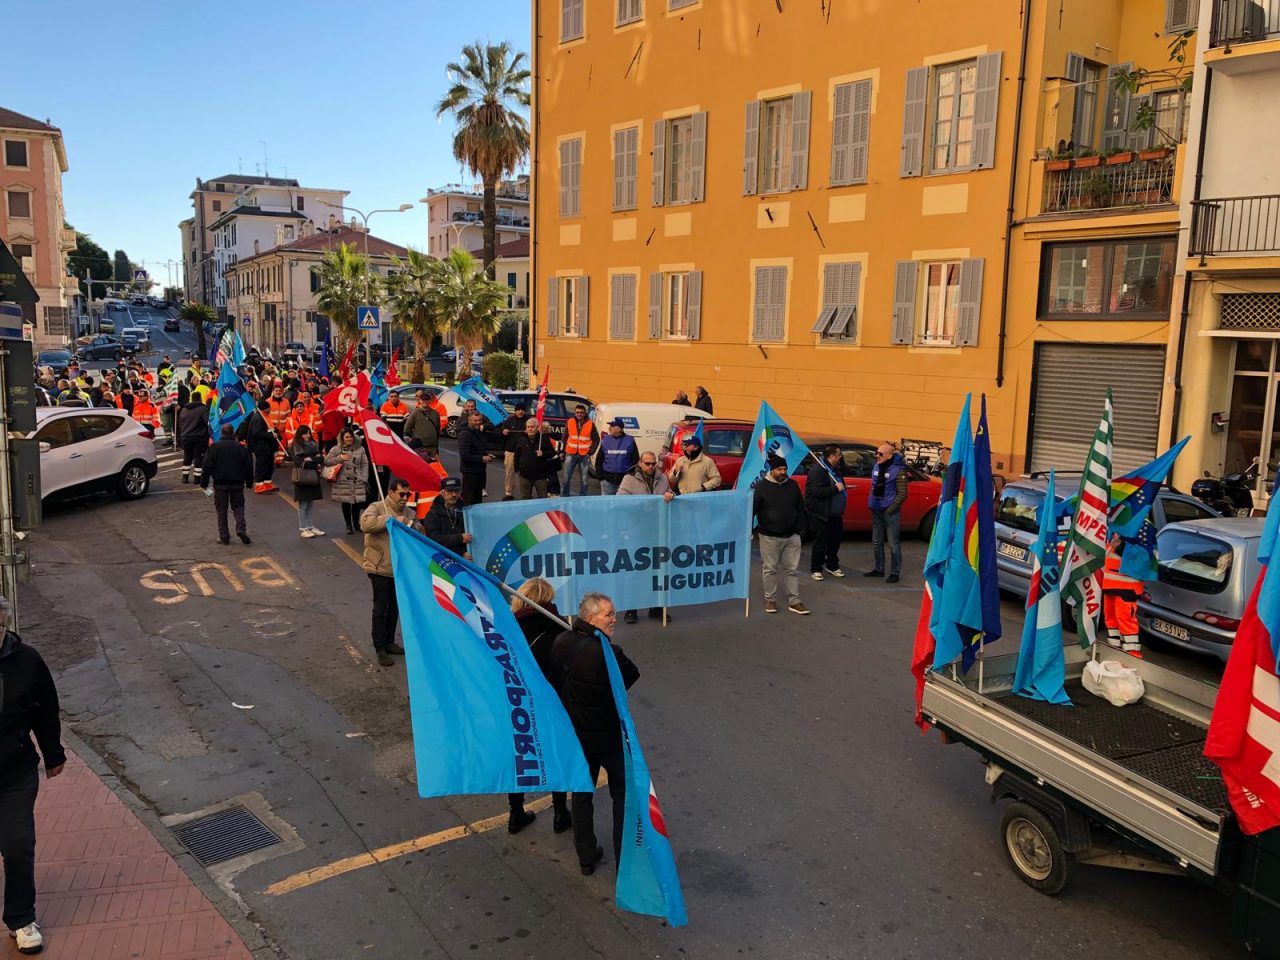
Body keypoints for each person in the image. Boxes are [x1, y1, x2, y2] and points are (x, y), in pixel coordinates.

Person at [550, 592, 639, 876]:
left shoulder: (561, 642)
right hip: (609, 738)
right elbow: (632, 675)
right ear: (591, 618)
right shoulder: (609, 654)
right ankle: (625, 861)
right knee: (622, 795)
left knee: (581, 793)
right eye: (609, 614)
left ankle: (586, 856)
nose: (614, 619)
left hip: (577, 736)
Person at [0, 595, 65, 956]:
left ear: (5, 625)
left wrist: (53, 754)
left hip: (15, 772)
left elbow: (46, 709)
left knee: (18, 845)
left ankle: (21, 919)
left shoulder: (27, 661)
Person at [506, 578, 572, 835]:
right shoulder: (559, 630)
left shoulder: (507, 629)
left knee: (520, 756)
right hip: (552, 703)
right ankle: (560, 812)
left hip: (518, 703)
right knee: (556, 754)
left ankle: (515, 813)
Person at [360, 478, 419, 667]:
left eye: (408, 494)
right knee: (381, 608)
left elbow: (419, 533)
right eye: (401, 494)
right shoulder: (377, 507)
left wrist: (411, 525)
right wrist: (391, 519)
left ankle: (389, 641)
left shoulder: (410, 512)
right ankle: (380, 648)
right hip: (380, 567)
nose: (405, 498)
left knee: (395, 607)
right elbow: (366, 524)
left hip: (400, 569)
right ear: (391, 492)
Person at [618, 452, 674, 624]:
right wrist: (642, 505)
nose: (650, 467)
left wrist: (670, 495)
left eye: (653, 463)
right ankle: (631, 608)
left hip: (657, 531)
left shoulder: (662, 478)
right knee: (634, 571)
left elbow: (670, 492)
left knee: (657, 570)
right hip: (636, 531)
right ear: (640, 463)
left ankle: (655, 607)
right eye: (647, 463)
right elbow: (620, 499)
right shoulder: (629, 479)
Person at [753, 454, 809, 615]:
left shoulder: (793, 485)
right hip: (769, 537)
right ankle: (770, 600)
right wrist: (750, 530)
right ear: (772, 470)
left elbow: (800, 508)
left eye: (785, 469)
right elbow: (753, 509)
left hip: (792, 536)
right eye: (779, 469)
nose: (783, 472)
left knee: (792, 570)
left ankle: (795, 601)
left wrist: (800, 529)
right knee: (770, 569)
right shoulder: (761, 487)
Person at [200, 424, 254, 545]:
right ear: (233, 433)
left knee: (221, 509)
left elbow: (207, 466)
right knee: (238, 507)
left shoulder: (214, 447)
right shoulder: (240, 448)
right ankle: (241, 528)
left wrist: (204, 483)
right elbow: (248, 466)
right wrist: (249, 482)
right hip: (237, 483)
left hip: (220, 484)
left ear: (221, 433)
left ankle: (224, 535)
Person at [866, 442, 907, 584]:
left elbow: (902, 494)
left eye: (880, 454)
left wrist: (890, 509)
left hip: (890, 512)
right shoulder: (877, 466)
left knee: (893, 544)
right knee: (876, 541)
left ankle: (895, 572)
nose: (877, 456)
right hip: (876, 509)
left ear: (889, 456)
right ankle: (879, 569)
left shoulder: (899, 470)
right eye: (876, 453)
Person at [806, 446, 847, 581]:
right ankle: (816, 568)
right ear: (832, 456)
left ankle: (832, 565)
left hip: (835, 513)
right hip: (821, 514)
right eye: (839, 454)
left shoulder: (834, 469)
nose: (841, 457)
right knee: (820, 542)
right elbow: (817, 491)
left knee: (835, 540)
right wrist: (835, 489)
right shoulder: (818, 471)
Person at [1103, 535, 1142, 658]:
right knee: (1111, 621)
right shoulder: (1113, 528)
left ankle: (1133, 655)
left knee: (1126, 621)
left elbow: (1146, 557)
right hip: (1109, 584)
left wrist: (1121, 547)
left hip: (1127, 587)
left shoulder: (1140, 529)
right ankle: (1113, 654)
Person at [325, 428, 370, 535]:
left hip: (358, 479)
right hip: (343, 480)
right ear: (342, 438)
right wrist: (340, 458)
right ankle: (348, 524)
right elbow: (327, 461)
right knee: (346, 503)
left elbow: (365, 464)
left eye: (351, 437)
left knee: (357, 502)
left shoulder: (360, 449)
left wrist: (364, 478)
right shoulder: (336, 449)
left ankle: (356, 523)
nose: (349, 439)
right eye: (346, 437)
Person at [291, 425, 326, 538]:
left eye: (309, 433)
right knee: (303, 505)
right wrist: (313, 461)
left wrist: (310, 459)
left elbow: (321, 458)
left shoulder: (313, 445)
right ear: (299, 434)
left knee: (310, 503)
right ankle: (303, 528)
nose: (308, 435)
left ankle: (310, 526)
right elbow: (299, 461)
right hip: (302, 478)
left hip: (313, 477)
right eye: (305, 433)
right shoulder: (295, 446)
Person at [240, 397, 280, 494]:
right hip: (261, 447)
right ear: (265, 408)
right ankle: (259, 486)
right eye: (269, 407)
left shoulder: (264, 416)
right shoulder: (259, 418)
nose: (270, 409)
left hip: (267, 446)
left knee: (268, 466)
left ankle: (267, 484)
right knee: (261, 466)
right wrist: (271, 435)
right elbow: (257, 433)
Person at [424, 477, 470, 558]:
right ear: (442, 492)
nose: (454, 494)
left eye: (457, 491)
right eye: (450, 491)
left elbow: (472, 535)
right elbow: (434, 539)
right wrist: (459, 539)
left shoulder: (465, 511)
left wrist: (464, 552)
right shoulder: (433, 514)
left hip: (466, 556)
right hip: (441, 557)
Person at [515, 418, 557, 500]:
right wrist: (517, 469)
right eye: (528, 427)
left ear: (537, 428)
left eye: (532, 427)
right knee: (525, 498)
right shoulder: (521, 440)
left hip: (540, 476)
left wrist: (543, 453)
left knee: (542, 499)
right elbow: (516, 456)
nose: (530, 429)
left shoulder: (544, 439)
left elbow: (552, 453)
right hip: (525, 476)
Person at [561, 404, 599, 497]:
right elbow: (564, 437)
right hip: (570, 453)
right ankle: (565, 496)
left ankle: (583, 497)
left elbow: (596, 439)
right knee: (566, 477)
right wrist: (563, 451)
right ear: (575, 413)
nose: (579, 414)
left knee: (584, 479)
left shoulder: (590, 424)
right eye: (577, 412)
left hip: (584, 455)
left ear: (585, 413)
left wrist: (591, 452)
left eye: (581, 412)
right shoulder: (570, 422)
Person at [457, 411, 493, 506]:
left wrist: (486, 454)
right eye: (475, 420)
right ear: (469, 420)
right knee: (468, 500)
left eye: (480, 420)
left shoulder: (478, 432)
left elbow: (477, 449)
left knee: (477, 500)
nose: (478, 422)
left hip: (479, 471)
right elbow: (464, 456)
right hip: (470, 473)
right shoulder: (465, 434)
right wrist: (482, 458)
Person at [595, 418, 639, 496]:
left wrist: (631, 476)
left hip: (624, 482)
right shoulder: (606, 440)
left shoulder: (630, 441)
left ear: (618, 429)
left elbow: (635, 460)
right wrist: (600, 477)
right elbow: (599, 459)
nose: (609, 428)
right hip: (607, 481)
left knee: (623, 502)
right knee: (607, 502)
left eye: (611, 426)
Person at [176, 392, 211, 484]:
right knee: (198, 458)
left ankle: (185, 477)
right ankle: (197, 478)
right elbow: (208, 422)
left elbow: (180, 424)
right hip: (199, 438)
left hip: (185, 437)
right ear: (200, 398)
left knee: (187, 457)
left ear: (192, 398)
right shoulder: (203, 409)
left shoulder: (184, 409)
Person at [499, 402, 531, 500]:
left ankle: (526, 493)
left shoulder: (529, 420)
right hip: (510, 451)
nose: (520, 412)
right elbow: (501, 433)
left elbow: (535, 433)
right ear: (515, 411)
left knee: (526, 473)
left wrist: (529, 433)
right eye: (518, 410)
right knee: (510, 473)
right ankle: (509, 493)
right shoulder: (509, 419)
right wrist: (503, 432)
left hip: (525, 452)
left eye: (522, 410)